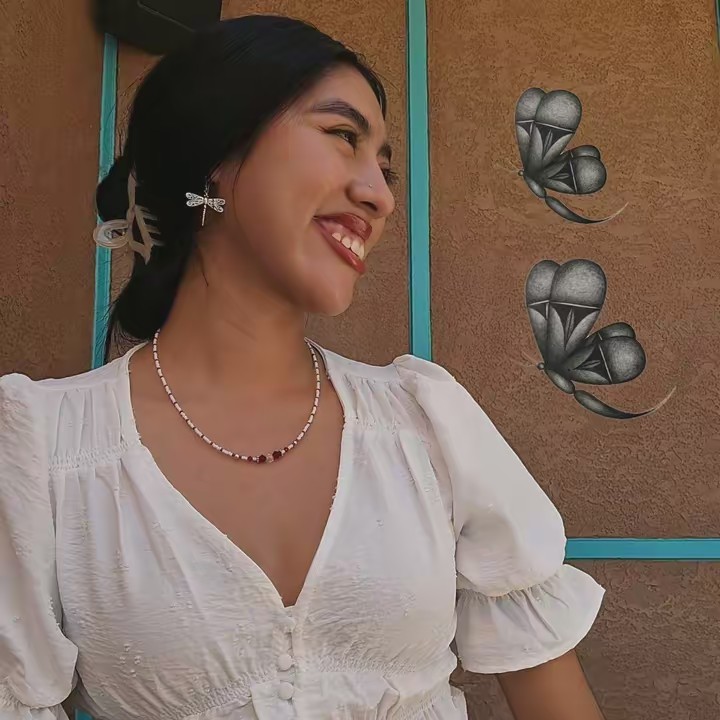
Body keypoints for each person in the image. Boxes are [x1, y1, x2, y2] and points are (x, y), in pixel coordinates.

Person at [0, 15, 607, 720]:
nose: (380, 195)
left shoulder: (427, 424)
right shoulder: (45, 449)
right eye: (343, 136)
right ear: (216, 152)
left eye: (384, 168)